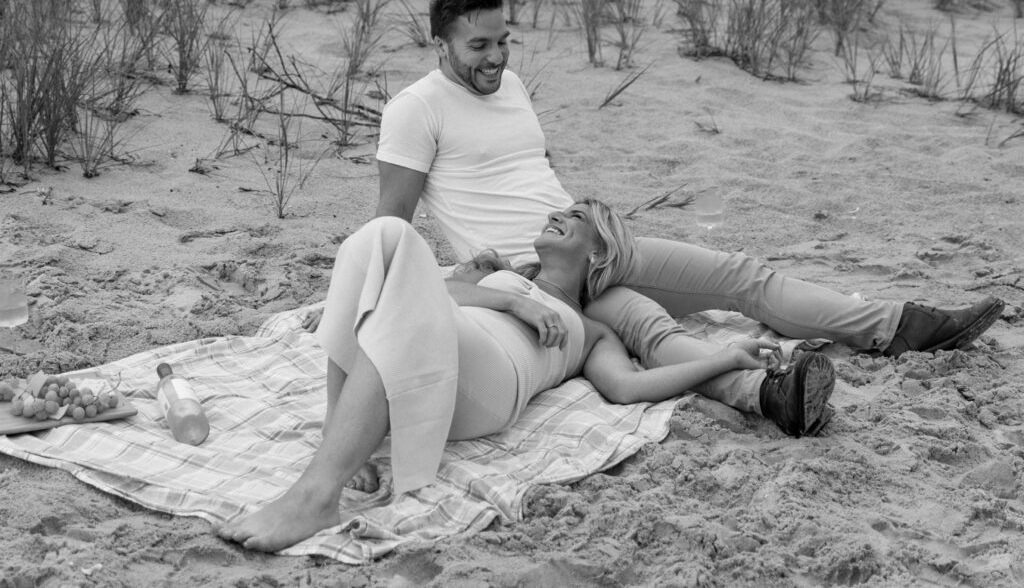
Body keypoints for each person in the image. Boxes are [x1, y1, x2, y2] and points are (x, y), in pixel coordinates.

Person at [340, 0, 1005, 437]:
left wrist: (595, 226)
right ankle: (770, 393)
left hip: (591, 239)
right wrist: (460, 288)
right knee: (648, 329)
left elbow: (531, 170)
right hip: (538, 272)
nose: (495, 58)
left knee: (741, 277)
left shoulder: (510, 84)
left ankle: (899, 325)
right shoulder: (414, 110)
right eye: (477, 46)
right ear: (441, 46)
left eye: (502, 41)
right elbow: (390, 226)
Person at [216, 200, 835, 552]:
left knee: (392, 245)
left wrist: (726, 358)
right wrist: (511, 296)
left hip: (486, 386)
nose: (560, 213)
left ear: (597, 253)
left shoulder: (590, 326)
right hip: (426, 359)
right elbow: (428, 293)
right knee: (378, 240)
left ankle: (315, 495)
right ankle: (340, 444)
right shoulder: (491, 281)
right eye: (562, 208)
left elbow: (625, 389)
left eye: (578, 216)